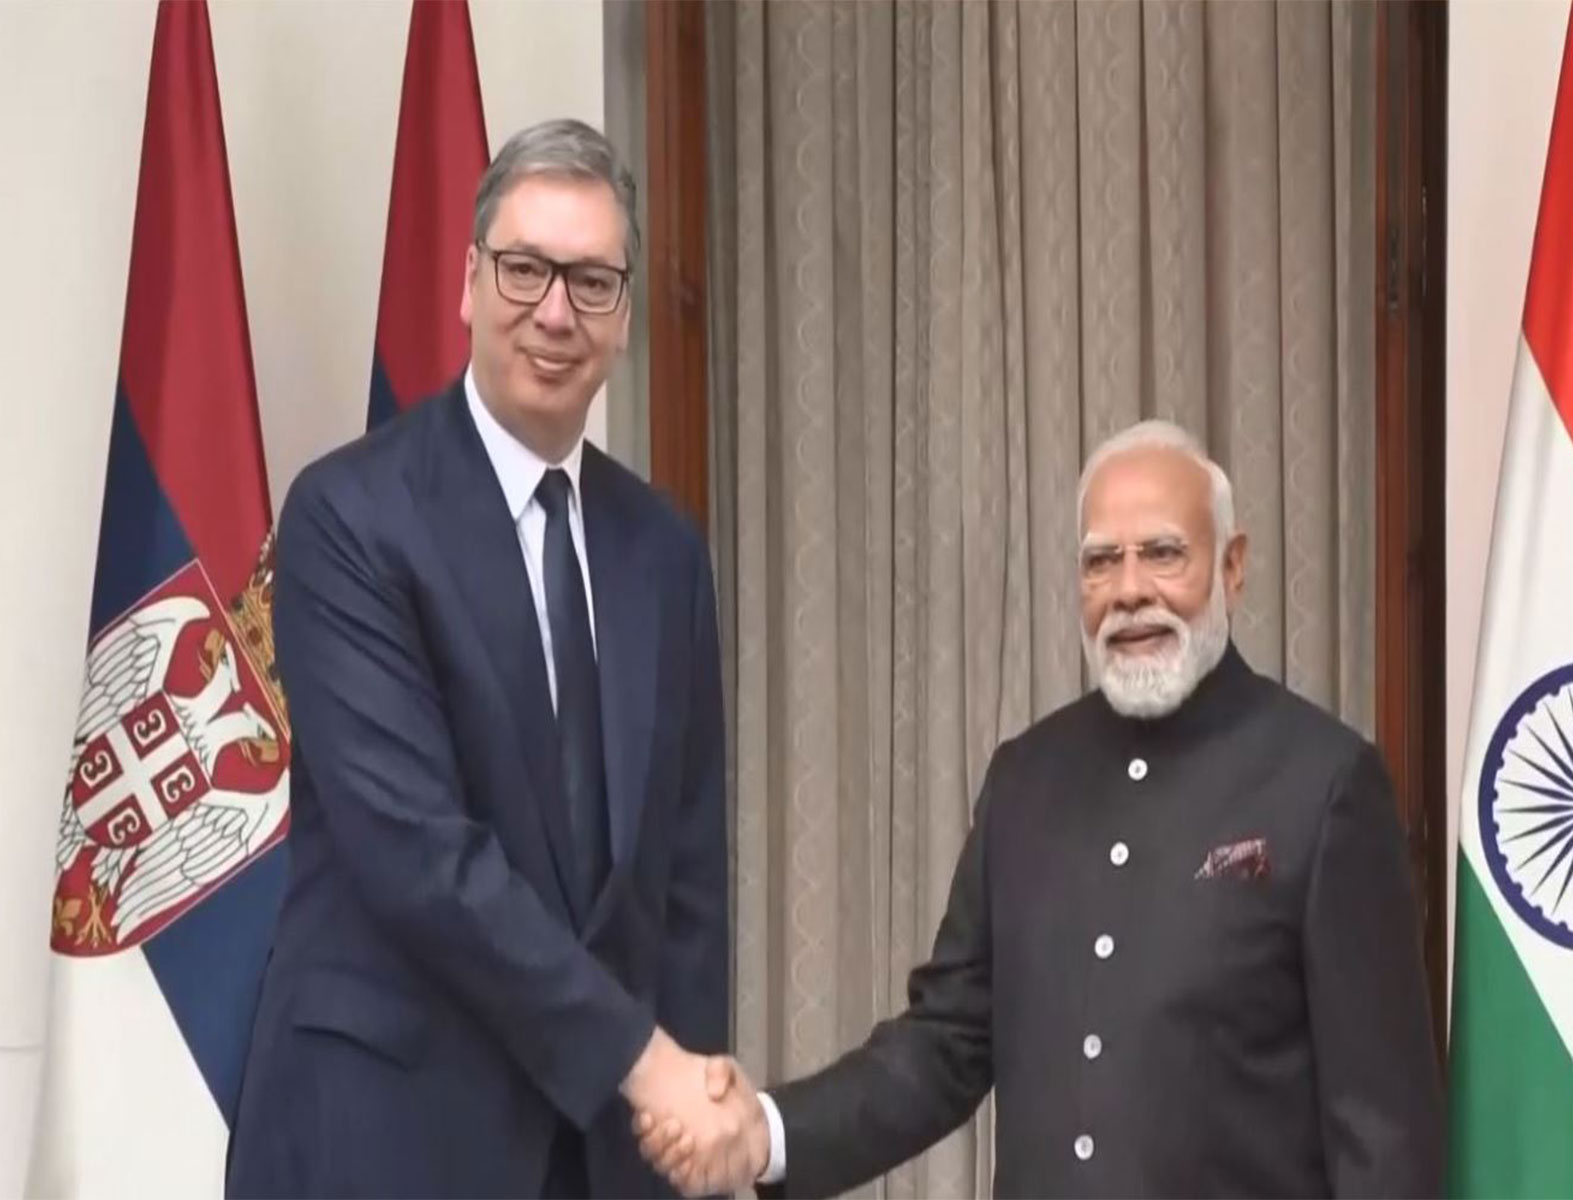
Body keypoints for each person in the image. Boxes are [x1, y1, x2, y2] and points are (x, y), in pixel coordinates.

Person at [637, 419, 1444, 1198]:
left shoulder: (1326, 782)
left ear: (1232, 567)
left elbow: (1383, 1137)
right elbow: (945, 1044)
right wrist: (767, 1134)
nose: (1130, 591)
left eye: (1164, 554)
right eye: (1102, 562)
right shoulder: (1027, 779)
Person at [227, 119, 735, 1198]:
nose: (555, 311)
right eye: (524, 270)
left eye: (592, 280)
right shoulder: (348, 518)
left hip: (600, 1157)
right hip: (386, 1140)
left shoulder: (665, 552)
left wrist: (691, 1130)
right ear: (467, 283)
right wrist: (646, 1066)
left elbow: (682, 888)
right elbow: (422, 860)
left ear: (626, 315)